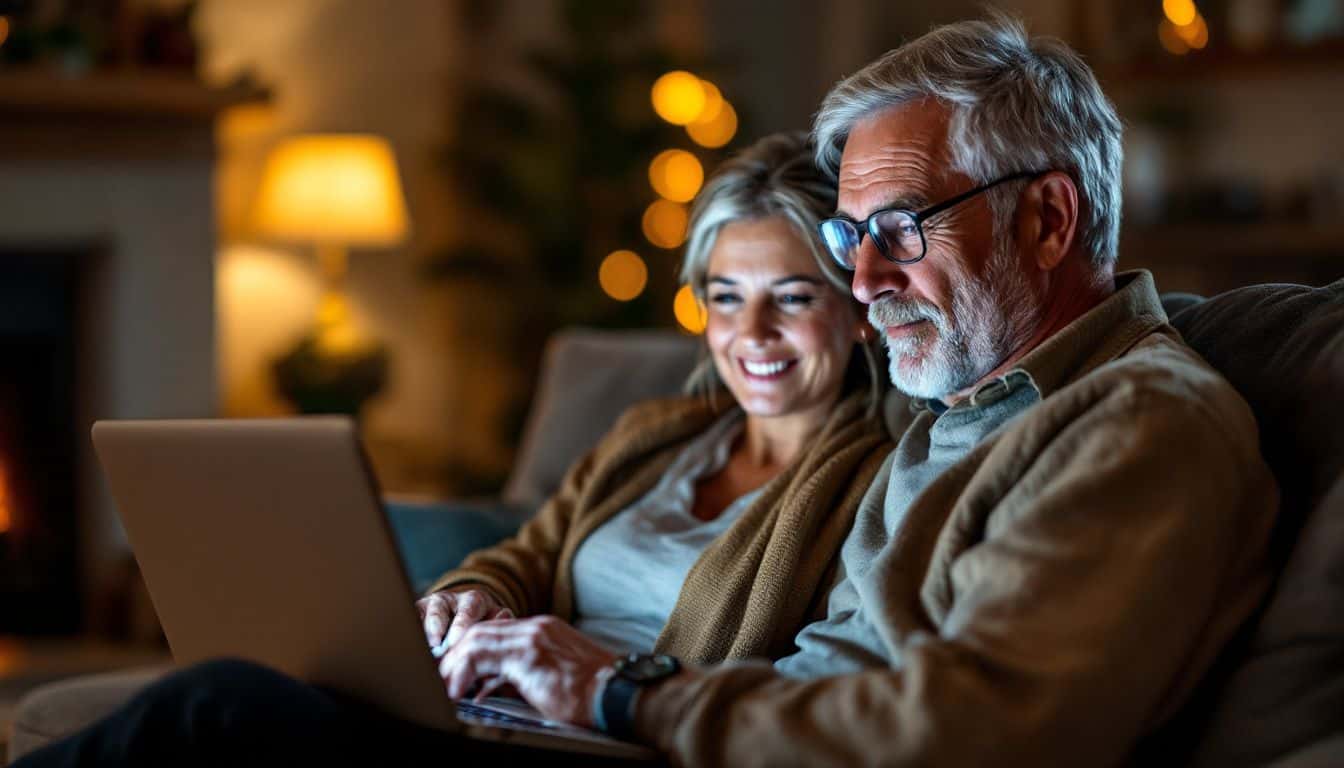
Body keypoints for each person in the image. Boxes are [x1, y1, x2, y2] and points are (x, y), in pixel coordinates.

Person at [440, 15, 1280, 767]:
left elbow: (971, 731)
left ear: (1049, 221)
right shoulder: (955, 415)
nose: (866, 280)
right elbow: (824, 673)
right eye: (851, 237)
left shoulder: (1139, 425)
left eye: (902, 228)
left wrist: (623, 694)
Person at [11, 132, 893, 767]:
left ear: (854, 310)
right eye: (727, 297)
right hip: (492, 713)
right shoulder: (654, 437)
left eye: (792, 296)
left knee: (216, 707)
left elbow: (823, 685)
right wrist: (470, 600)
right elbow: (528, 553)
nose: (753, 332)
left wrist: (605, 682)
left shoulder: (874, 476)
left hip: (614, 736)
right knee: (240, 696)